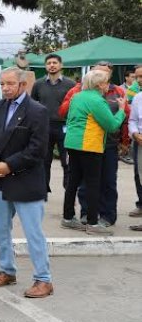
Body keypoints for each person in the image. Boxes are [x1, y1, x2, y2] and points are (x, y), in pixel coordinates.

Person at [0, 67, 53, 298]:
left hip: (26, 180)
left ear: (23, 85)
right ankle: (7, 270)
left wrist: (9, 165)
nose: (5, 88)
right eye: (3, 83)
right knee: (2, 230)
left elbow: (38, 150)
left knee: (33, 233)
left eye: (10, 83)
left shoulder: (37, 111)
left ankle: (43, 279)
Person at [59, 61, 130, 227]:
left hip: (72, 143)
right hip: (89, 144)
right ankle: (92, 223)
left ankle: (68, 218)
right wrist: (121, 110)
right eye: (106, 82)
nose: (108, 85)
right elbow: (112, 125)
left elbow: (68, 117)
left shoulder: (77, 96)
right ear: (99, 84)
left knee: (74, 182)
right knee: (93, 183)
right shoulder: (97, 100)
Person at [30, 54, 76, 192]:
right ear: (45, 66)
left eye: (54, 62)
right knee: (44, 161)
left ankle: (69, 191)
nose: (52, 65)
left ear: (61, 65)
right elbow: (33, 103)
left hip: (65, 126)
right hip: (45, 126)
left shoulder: (71, 84)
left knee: (66, 161)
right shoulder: (38, 84)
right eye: (49, 63)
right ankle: (42, 190)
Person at [129, 81, 142, 230]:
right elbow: (132, 120)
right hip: (140, 142)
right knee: (140, 176)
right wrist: (134, 133)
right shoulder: (138, 97)